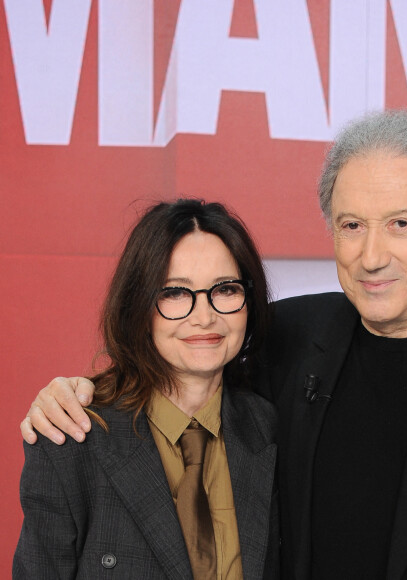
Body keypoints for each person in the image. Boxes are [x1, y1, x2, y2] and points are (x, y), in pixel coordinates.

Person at [21, 110, 407, 579]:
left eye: (401, 224)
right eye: (352, 225)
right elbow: (182, 362)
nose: (372, 255)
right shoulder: (284, 337)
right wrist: (80, 391)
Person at [14, 199, 279, 579]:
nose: (205, 316)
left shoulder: (269, 426)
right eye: (174, 293)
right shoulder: (72, 440)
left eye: (225, 290)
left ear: (249, 301)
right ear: (138, 305)